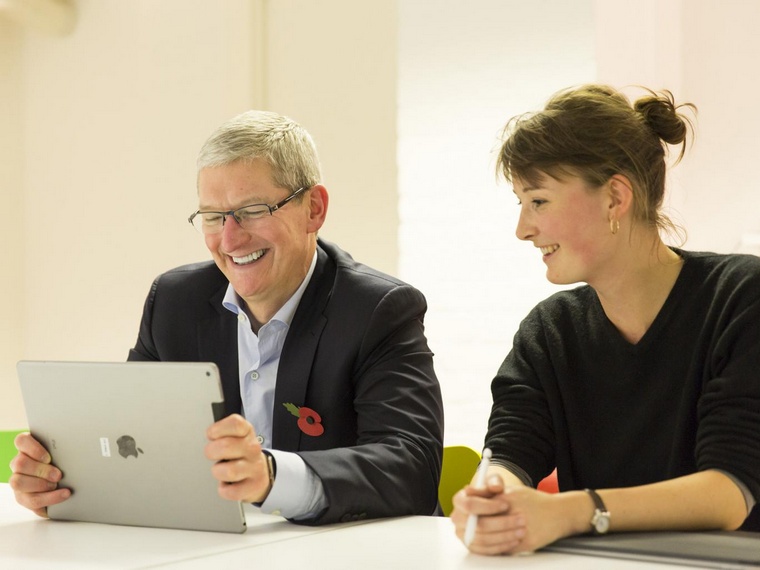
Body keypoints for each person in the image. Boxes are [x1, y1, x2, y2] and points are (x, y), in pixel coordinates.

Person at [11, 110, 444, 525]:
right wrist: (66, 488)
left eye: (253, 210)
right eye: (214, 217)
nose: (230, 239)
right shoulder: (174, 302)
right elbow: (133, 443)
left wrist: (271, 477)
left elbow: (411, 468)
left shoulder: (378, 310)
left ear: (314, 208)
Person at [451, 84, 760, 555]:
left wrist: (572, 511)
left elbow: (729, 493)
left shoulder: (741, 298)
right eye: (520, 204)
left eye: (539, 201)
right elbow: (511, 452)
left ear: (615, 197)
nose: (523, 229)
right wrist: (495, 496)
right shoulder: (550, 330)